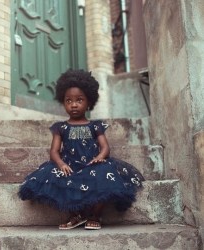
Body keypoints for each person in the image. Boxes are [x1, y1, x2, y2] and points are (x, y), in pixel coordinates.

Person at [18, 69, 144, 230]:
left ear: (89, 102)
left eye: (79, 100)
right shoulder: (61, 127)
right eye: (68, 101)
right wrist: (61, 164)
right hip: (70, 165)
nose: (74, 104)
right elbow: (54, 152)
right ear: (63, 102)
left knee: (104, 175)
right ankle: (75, 215)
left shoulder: (95, 126)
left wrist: (100, 157)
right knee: (60, 177)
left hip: (92, 164)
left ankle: (95, 215)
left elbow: (105, 147)